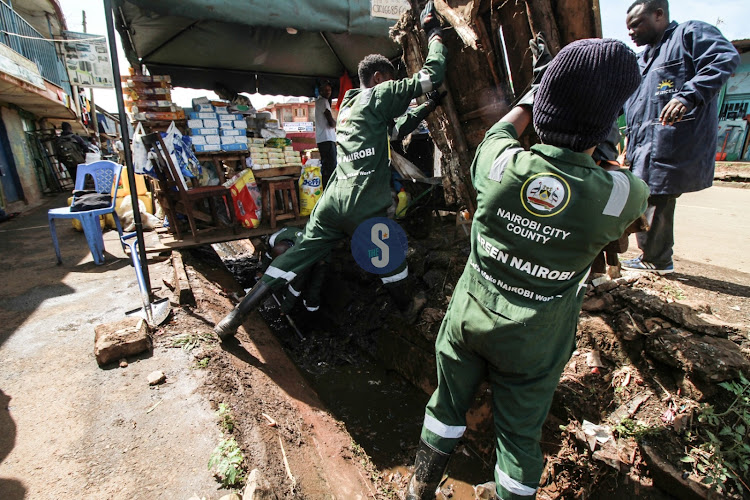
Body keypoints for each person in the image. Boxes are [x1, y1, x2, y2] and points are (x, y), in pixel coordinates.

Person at [405, 37, 649, 500]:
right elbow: (626, 177)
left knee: (446, 405)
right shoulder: (619, 196)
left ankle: (419, 490)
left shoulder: (497, 164)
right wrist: (595, 139)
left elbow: (502, 129)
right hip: (533, 344)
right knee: (519, 440)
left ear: (543, 108)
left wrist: (532, 96)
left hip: (469, 320)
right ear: (606, 124)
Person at [213, 1, 448, 340]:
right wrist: (433, 31)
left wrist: (426, 108)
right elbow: (432, 75)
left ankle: (235, 317)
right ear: (380, 78)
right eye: (389, 82)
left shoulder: (351, 106)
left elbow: (394, 131)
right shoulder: (379, 94)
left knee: (297, 258)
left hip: (331, 202)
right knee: (388, 256)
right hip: (361, 202)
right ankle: (408, 306)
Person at [621, 0, 740, 274]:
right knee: (646, 197)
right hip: (643, 144)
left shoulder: (689, 34)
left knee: (658, 198)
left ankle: (657, 259)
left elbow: (724, 57)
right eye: (628, 28)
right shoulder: (644, 58)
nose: (631, 32)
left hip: (670, 140)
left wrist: (688, 95)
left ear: (659, 15)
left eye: (636, 24)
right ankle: (651, 256)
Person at [257, 227, 327, 314]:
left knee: (314, 283)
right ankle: (283, 294)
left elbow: (295, 288)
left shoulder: (301, 259)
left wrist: (285, 308)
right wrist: (263, 271)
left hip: (321, 255)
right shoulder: (273, 239)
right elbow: (269, 255)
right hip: (304, 244)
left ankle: (311, 305)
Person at [315, 81, 337, 187]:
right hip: (327, 139)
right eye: (326, 90)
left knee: (326, 167)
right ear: (320, 91)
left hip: (323, 139)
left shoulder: (319, 102)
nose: (328, 92)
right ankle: (329, 190)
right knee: (331, 167)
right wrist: (338, 123)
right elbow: (331, 122)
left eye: (329, 90)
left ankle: (326, 189)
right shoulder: (323, 101)